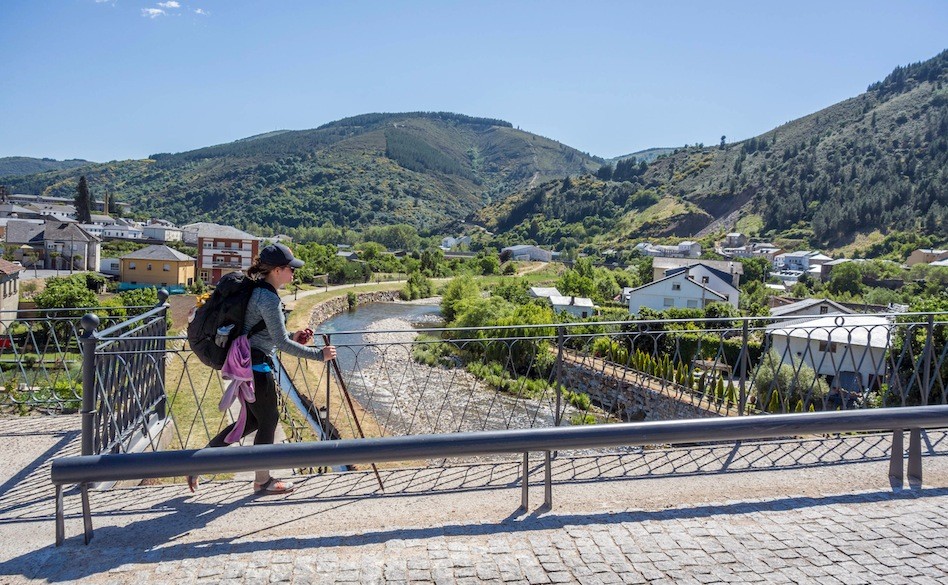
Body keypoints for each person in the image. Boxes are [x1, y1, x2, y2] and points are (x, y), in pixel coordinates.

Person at [188, 243, 336, 495]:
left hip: (248, 363)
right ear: (278, 270)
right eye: (291, 269)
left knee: (252, 422)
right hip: (256, 368)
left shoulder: (258, 291)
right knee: (268, 421)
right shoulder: (268, 297)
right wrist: (318, 355)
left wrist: (294, 335)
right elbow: (280, 344)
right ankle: (263, 480)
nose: (294, 274)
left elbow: (267, 335)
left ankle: (199, 462)